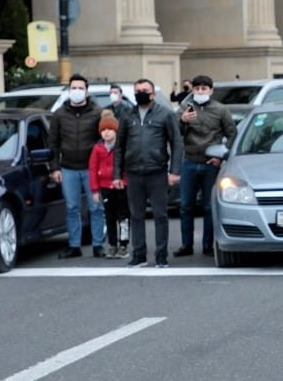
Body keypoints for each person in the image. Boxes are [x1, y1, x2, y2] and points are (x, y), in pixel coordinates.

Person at [113, 78, 183, 268]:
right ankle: (139, 255)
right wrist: (117, 175)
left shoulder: (165, 114)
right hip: (134, 172)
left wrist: (174, 171)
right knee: (136, 215)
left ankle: (161, 255)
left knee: (160, 215)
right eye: (137, 90)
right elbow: (119, 147)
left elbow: (176, 143)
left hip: (157, 172)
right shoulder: (127, 115)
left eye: (144, 90)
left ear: (153, 93)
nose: (140, 93)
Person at [175, 74, 236, 258]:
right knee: (186, 205)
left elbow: (232, 134)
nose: (200, 92)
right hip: (190, 161)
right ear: (192, 90)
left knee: (209, 207)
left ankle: (208, 245)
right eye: (197, 88)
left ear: (211, 90)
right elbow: (175, 133)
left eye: (204, 89)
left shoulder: (220, 110)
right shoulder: (185, 108)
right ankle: (187, 245)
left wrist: (222, 157)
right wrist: (182, 121)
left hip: (211, 163)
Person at [49, 73, 106, 258]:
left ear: (87, 91)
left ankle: (98, 245)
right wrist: (55, 168)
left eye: (80, 88)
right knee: (72, 207)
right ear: (68, 90)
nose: (77, 91)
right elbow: (53, 143)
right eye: (73, 88)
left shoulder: (97, 113)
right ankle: (74, 245)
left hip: (92, 169)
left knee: (95, 207)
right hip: (68, 168)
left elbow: (105, 140)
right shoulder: (59, 114)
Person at [89, 110, 130, 258]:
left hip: (121, 186)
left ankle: (124, 244)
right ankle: (112, 244)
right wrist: (94, 190)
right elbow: (93, 168)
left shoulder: (122, 147)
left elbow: (127, 166)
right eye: (103, 130)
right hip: (105, 187)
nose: (106, 133)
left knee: (123, 216)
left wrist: (125, 181)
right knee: (110, 217)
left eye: (110, 129)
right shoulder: (98, 148)